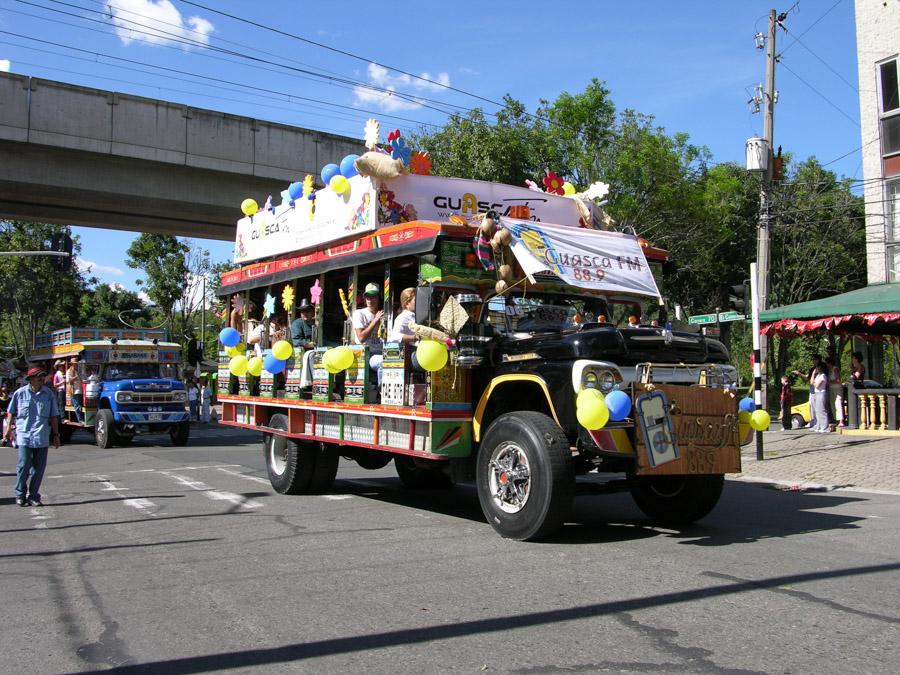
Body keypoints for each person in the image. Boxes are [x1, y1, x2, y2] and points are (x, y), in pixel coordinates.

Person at [4, 366, 61, 507]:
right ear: (30, 379)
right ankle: (20, 494)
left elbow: (54, 416)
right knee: (24, 465)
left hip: (42, 437)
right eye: (38, 376)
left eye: (43, 376)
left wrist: (56, 435)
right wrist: (7, 431)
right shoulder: (20, 393)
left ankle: (34, 496)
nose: (41, 378)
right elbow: (11, 413)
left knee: (39, 469)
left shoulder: (48, 394)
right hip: (24, 435)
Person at [352, 283, 384, 386]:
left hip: (383, 351)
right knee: (384, 362)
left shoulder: (383, 314)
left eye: (373, 296)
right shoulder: (359, 313)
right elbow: (361, 338)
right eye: (367, 297)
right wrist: (375, 321)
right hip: (366, 354)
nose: (370, 300)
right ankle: (381, 393)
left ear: (379, 297)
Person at [810, 363, 830, 433]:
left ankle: (825, 427)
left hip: (821, 393)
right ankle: (819, 426)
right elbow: (811, 382)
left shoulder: (823, 376)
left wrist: (814, 383)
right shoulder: (818, 375)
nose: (817, 369)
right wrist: (813, 374)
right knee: (817, 411)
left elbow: (817, 385)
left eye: (818, 368)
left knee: (822, 410)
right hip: (816, 393)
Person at [66, 356, 84, 423]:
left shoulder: (80, 371)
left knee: (80, 405)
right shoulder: (69, 371)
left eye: (76, 363)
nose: (76, 365)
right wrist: (76, 376)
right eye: (74, 363)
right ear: (72, 364)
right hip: (75, 390)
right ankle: (80, 420)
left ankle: (82, 418)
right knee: (77, 406)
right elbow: (69, 381)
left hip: (81, 390)